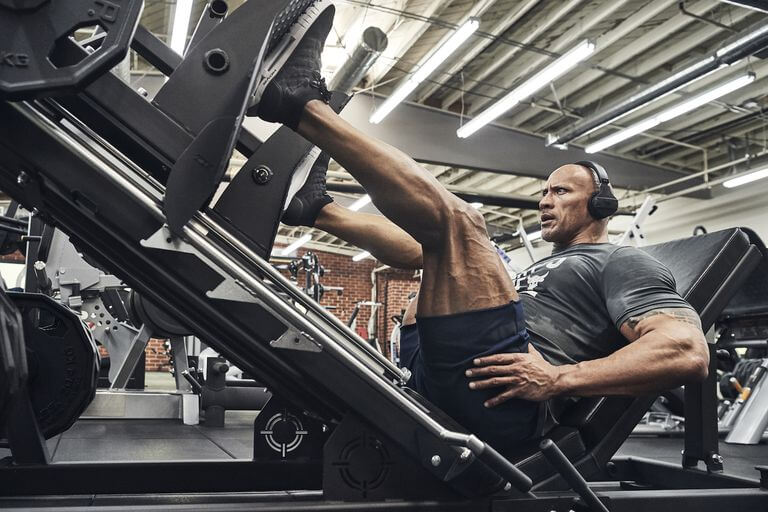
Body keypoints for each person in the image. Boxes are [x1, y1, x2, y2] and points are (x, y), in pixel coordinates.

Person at [251, 1, 709, 454]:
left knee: (465, 225)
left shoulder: (621, 261)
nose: (545, 201)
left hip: (499, 396)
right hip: (441, 366)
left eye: (561, 192)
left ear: (602, 204)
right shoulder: (546, 267)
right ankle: (316, 210)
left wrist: (558, 378)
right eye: (544, 192)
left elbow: (687, 351)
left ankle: (297, 102)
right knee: (429, 249)